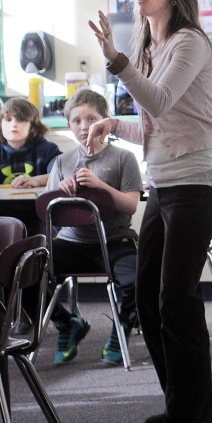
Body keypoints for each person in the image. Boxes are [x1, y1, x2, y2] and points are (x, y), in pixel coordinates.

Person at [87, 0, 212, 423]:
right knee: (149, 299)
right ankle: (180, 408)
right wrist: (113, 127)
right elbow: (153, 123)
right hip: (165, 184)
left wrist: (113, 58)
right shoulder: (153, 45)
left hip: (198, 183)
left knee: (177, 301)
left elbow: (161, 101)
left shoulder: (189, 42)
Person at [32, 89, 143, 366]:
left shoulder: (123, 158)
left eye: (91, 119)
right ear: (68, 125)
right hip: (72, 242)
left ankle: (121, 329)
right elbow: (48, 211)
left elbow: (131, 205)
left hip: (115, 239)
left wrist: (101, 186)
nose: (84, 127)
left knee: (138, 279)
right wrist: (59, 192)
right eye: (76, 121)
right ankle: (67, 323)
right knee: (26, 274)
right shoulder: (61, 162)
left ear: (105, 121)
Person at [0, 97, 61, 235]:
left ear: (32, 125)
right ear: (0, 123)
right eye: (8, 120)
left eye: (20, 120)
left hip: (35, 218)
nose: (13, 124)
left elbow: (60, 173)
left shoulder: (46, 150)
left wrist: (36, 180)